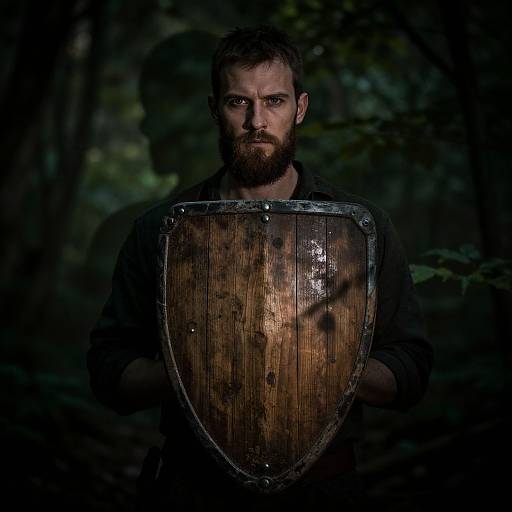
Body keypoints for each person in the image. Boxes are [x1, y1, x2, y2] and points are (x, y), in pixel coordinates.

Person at [87, 25, 433, 511]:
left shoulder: (360, 228)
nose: (257, 121)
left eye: (274, 101)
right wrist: (199, 365)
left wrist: (318, 360)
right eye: (237, 102)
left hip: (324, 490)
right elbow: (108, 370)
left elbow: (411, 369)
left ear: (301, 108)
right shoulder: (163, 230)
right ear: (215, 110)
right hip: (193, 489)